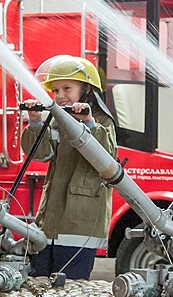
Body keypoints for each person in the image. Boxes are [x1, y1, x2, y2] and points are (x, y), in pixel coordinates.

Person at [21, 55, 116, 280]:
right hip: (49, 224)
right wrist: (35, 122)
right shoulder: (57, 119)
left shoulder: (102, 122)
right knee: (39, 281)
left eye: (67, 88)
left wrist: (89, 123)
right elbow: (41, 154)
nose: (60, 96)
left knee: (71, 285)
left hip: (80, 225)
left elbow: (106, 155)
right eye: (55, 91)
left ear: (87, 90)